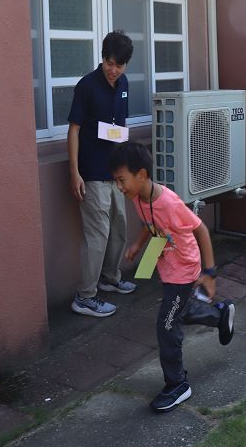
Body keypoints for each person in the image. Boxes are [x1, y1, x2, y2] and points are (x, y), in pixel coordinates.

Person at [109, 142, 235, 413]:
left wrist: (210, 273)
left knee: (166, 326)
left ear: (141, 175)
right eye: (116, 181)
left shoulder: (168, 202)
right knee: (179, 312)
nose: (119, 187)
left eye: (121, 180)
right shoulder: (138, 197)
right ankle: (220, 315)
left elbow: (201, 230)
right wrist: (138, 244)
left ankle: (177, 384)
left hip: (184, 269)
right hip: (167, 264)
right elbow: (149, 223)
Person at [68, 32, 136, 317]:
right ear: (103, 58)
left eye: (119, 65)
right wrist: (74, 173)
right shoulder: (86, 85)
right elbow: (74, 130)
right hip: (91, 171)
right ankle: (85, 296)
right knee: (97, 234)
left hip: (115, 171)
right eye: (110, 63)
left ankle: (110, 278)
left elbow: (120, 128)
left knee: (119, 225)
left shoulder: (124, 84)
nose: (113, 70)